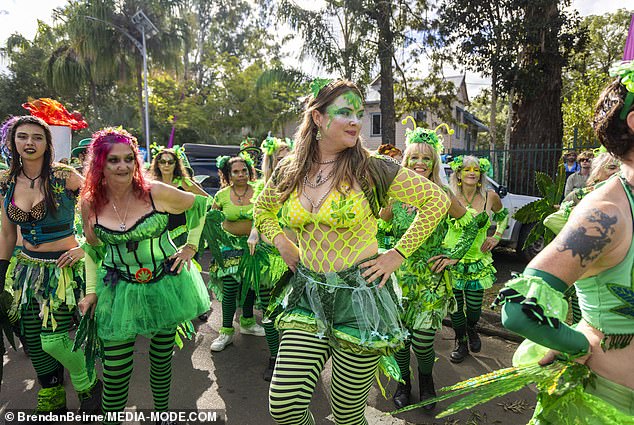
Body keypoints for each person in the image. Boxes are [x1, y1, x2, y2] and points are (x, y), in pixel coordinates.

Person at [254, 78, 450, 424]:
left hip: (359, 299)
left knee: (347, 415)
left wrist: (397, 255)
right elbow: (262, 210)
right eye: (344, 112)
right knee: (283, 407)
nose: (356, 121)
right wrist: (282, 241)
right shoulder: (290, 169)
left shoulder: (371, 167)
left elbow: (436, 200)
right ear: (317, 118)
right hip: (307, 294)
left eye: (359, 114)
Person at [78, 128, 210, 423]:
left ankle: (162, 415)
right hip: (117, 289)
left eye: (128, 159)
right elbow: (92, 250)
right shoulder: (90, 202)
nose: (123, 166)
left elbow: (200, 205)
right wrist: (90, 291)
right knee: (114, 371)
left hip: (164, 284)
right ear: (100, 163)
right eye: (113, 160)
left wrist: (190, 246)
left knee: (162, 361)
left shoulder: (156, 192)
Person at [380, 121, 487, 410]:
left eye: (426, 157)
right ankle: (404, 382)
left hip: (432, 279)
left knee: (424, 341)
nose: (419, 163)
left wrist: (455, 254)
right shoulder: (394, 195)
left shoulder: (443, 194)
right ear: (405, 160)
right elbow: (379, 227)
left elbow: (476, 222)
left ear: (434, 162)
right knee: (401, 339)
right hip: (399, 279)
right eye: (414, 156)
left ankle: (426, 381)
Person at [0, 115, 100, 413]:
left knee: (53, 341)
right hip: (25, 271)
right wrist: (2, 268)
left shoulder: (64, 176)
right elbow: (6, 231)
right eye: (22, 137)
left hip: (63, 271)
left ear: (47, 143)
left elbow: (101, 212)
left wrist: (84, 248)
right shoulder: (5, 181)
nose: (29, 143)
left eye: (37, 137)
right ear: (13, 142)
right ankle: (52, 390)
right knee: (31, 336)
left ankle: (87, 382)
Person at [448, 156, 509, 362]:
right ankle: (461, 341)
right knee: (455, 307)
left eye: (475, 169)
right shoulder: (448, 196)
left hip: (478, 262)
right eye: (466, 170)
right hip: (452, 261)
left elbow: (503, 216)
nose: (472, 173)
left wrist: (497, 236)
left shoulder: (490, 196)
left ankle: (471, 328)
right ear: (458, 174)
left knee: (473, 309)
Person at [208, 155, 266, 352]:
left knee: (249, 285)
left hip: (253, 247)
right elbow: (212, 220)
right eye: (236, 171)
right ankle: (226, 331)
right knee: (231, 287)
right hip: (229, 247)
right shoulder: (222, 195)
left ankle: (248, 322)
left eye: (244, 170)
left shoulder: (259, 190)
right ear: (228, 175)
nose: (241, 174)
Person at [258, 136, 294, 381]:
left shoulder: (303, 183)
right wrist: (252, 234)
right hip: (268, 259)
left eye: (287, 156)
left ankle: (292, 362)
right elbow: (257, 215)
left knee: (293, 316)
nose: (285, 161)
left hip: (296, 260)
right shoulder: (265, 188)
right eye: (279, 158)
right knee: (268, 313)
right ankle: (274, 356)